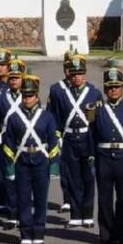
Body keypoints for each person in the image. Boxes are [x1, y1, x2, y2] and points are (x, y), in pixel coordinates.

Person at [85, 63, 123, 244]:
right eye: (110, 87)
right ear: (105, 89)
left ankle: (121, 235)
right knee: (104, 199)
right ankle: (105, 235)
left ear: (122, 88)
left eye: (116, 86)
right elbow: (90, 136)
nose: (113, 90)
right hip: (103, 157)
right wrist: (92, 158)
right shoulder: (96, 108)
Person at [2, 73, 58, 244]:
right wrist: (9, 165)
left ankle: (39, 232)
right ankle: (25, 232)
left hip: (41, 161)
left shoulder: (47, 117)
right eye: (24, 96)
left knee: (41, 199)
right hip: (22, 161)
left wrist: (54, 162)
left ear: (37, 96)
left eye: (30, 96)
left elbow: (53, 141)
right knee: (24, 198)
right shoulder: (14, 117)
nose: (27, 99)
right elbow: (8, 143)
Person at [48, 54, 103, 229]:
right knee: (72, 177)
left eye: (80, 73)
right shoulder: (61, 93)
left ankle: (87, 214)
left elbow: (99, 120)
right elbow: (55, 117)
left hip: (88, 138)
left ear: (85, 74)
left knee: (88, 177)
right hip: (69, 138)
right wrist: (57, 138)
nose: (76, 77)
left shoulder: (94, 93)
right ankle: (75, 214)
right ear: (69, 75)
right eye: (73, 74)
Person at [0, 57, 26, 227]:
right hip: (6, 144)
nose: (13, 81)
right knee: (9, 178)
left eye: (17, 77)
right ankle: (12, 214)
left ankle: (24, 213)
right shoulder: (0, 99)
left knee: (24, 180)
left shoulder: (28, 97)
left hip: (24, 144)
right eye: (11, 78)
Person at [50, 48, 78, 213]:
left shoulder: (84, 88)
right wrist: (55, 134)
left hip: (81, 134)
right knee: (65, 168)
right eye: (66, 66)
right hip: (64, 133)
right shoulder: (57, 89)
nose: (69, 70)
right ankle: (67, 198)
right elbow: (52, 113)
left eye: (71, 67)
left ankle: (78, 198)